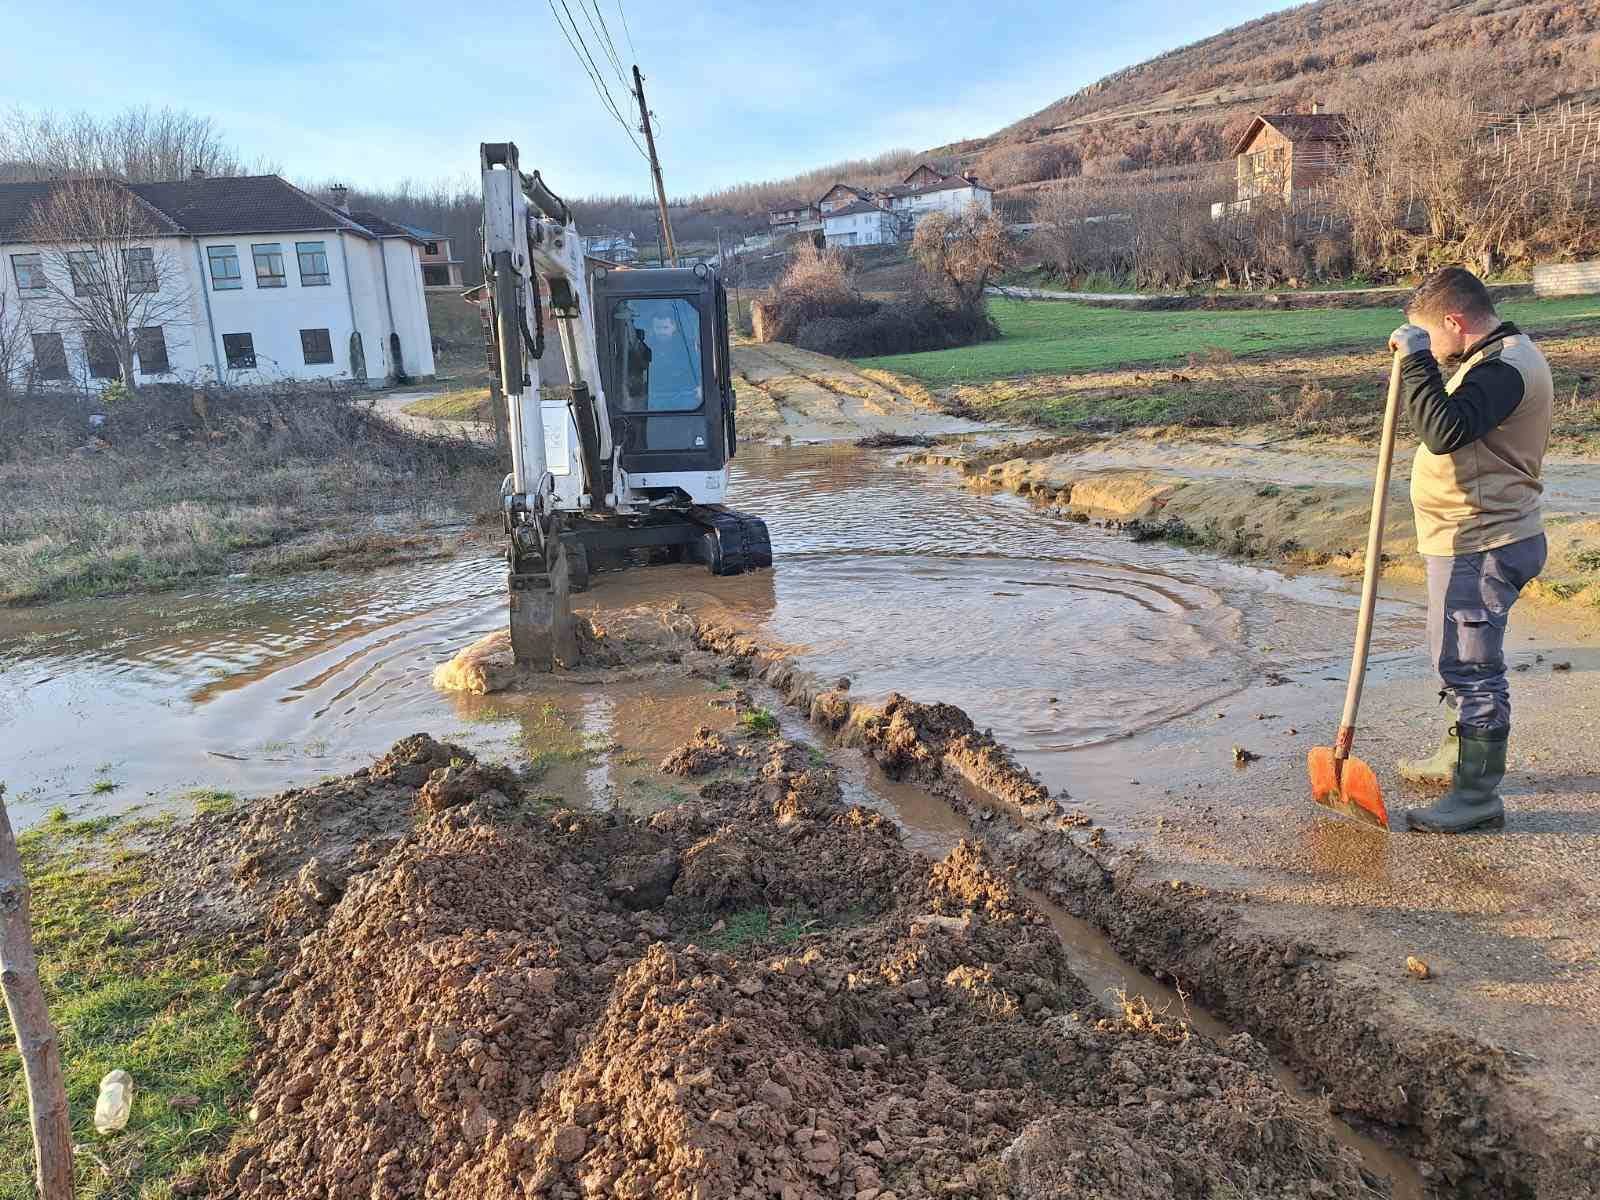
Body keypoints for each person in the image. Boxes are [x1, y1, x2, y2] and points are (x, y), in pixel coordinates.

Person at [1388, 267, 1553, 833]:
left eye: (1429, 335)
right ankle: (1458, 752)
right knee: (1449, 655)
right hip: (1465, 536)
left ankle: (1477, 795)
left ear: (1454, 323)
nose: (1429, 347)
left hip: (1486, 542)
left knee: (1471, 667)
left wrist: (1416, 361)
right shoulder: (1491, 359)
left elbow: (1442, 431)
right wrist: (1421, 358)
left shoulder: (1505, 369)